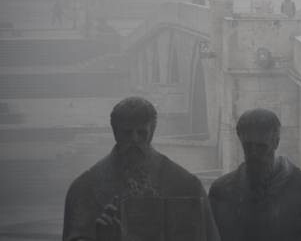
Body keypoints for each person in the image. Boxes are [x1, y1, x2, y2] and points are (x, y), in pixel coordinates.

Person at [62, 97, 219, 241]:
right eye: (127, 133)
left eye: (141, 133)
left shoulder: (187, 186)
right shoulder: (84, 188)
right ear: (115, 132)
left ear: (152, 133)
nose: (134, 140)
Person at [209, 108, 301, 241]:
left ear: (276, 142)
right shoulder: (221, 191)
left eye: (261, 147)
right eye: (248, 147)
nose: (254, 154)